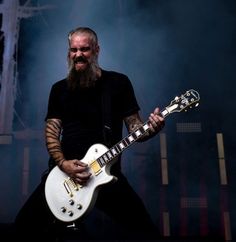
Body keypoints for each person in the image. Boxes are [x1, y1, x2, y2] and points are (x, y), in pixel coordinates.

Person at [14, 27, 165, 241]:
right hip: (64, 178)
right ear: (68, 53)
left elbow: (135, 129)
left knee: (145, 232)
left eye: (84, 49)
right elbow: (51, 133)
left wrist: (152, 128)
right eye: (73, 50)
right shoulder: (59, 89)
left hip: (105, 174)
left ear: (96, 50)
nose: (78, 54)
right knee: (22, 228)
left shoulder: (118, 83)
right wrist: (64, 164)